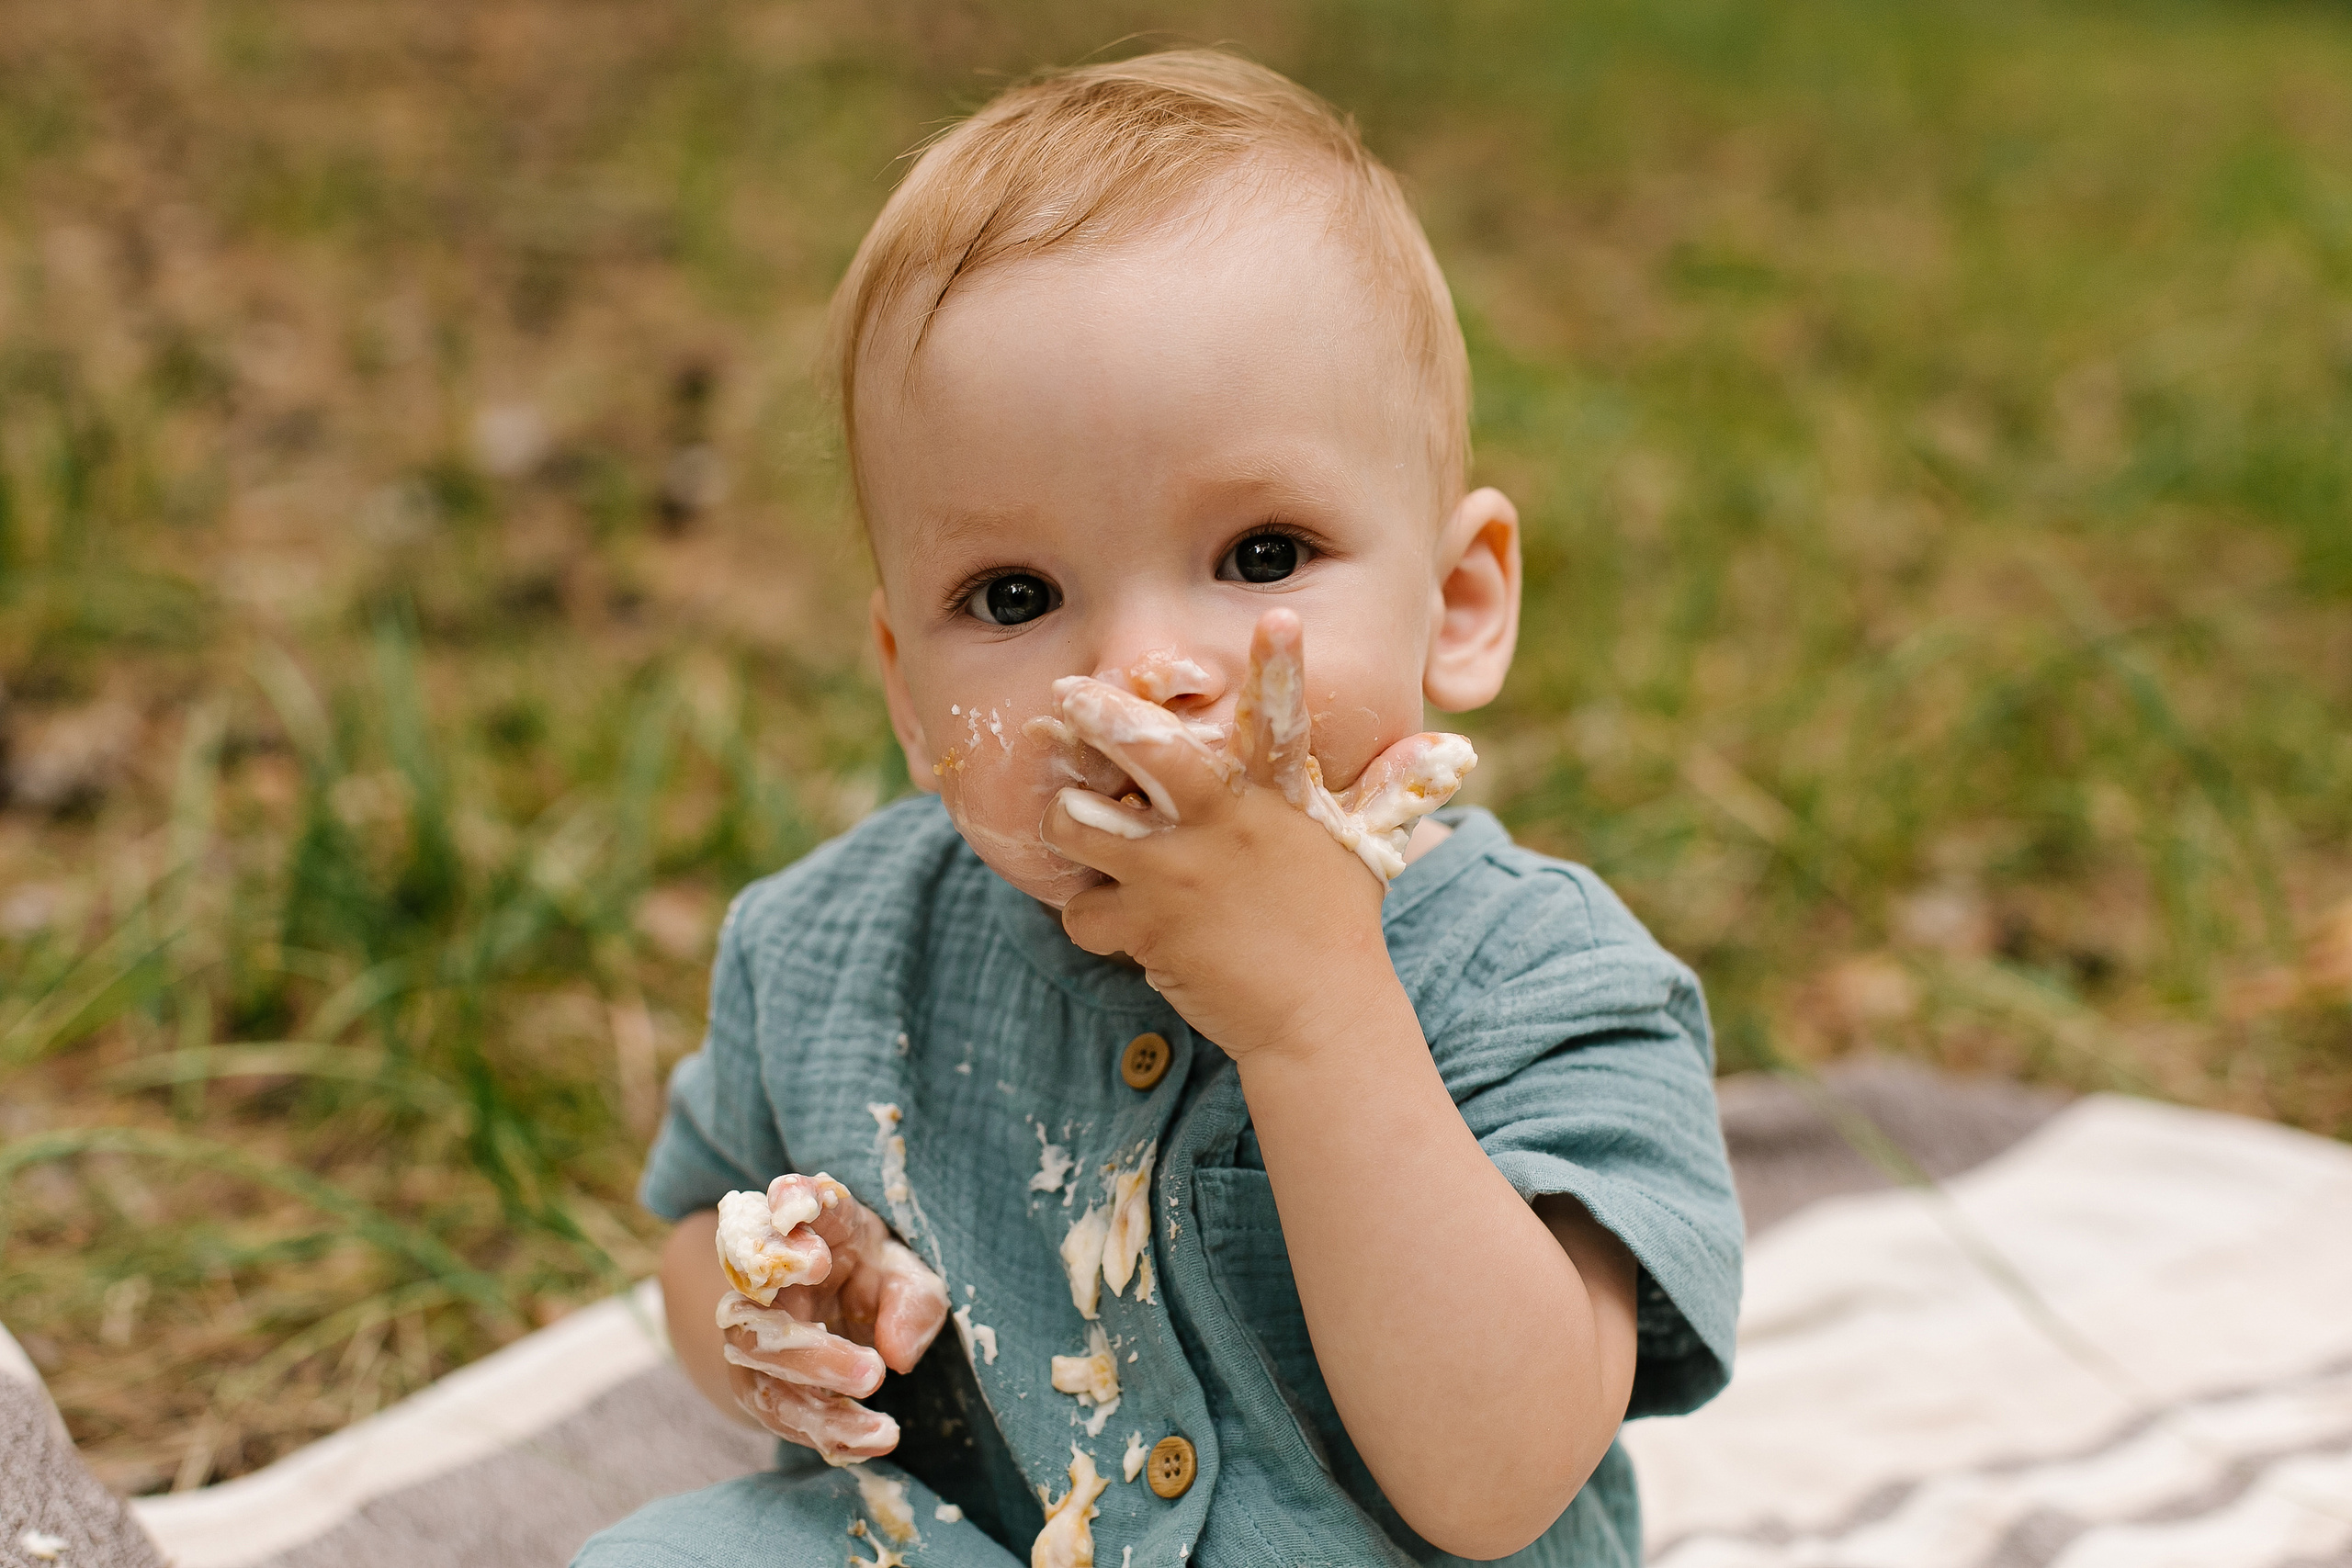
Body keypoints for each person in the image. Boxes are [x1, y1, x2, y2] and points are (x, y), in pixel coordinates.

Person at [574, 48, 1740, 1568]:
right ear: (911, 692)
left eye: (1261, 556)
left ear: (1458, 605)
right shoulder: (830, 952)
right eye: (1015, 595)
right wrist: (776, 1315)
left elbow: (1498, 1476)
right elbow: (691, 1233)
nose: (1139, 673)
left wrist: (1319, 1013)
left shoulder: (1537, 981)